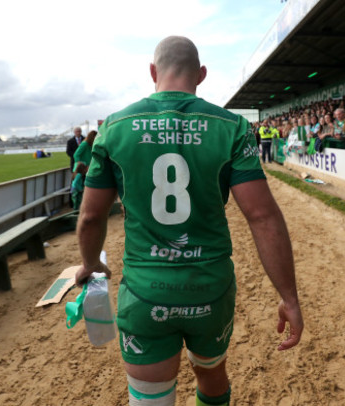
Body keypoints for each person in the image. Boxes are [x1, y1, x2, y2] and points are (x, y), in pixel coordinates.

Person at [74, 36, 303, 406]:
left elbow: (90, 217)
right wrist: (289, 297)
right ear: (201, 75)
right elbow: (262, 216)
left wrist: (90, 264)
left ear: (153, 72)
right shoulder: (231, 127)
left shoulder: (115, 128)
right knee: (211, 376)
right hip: (210, 292)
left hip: (146, 293)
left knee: (150, 396)